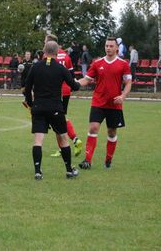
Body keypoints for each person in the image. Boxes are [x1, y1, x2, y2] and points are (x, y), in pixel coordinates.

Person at [24, 41, 82, 180]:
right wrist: (81, 82)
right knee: (63, 138)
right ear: (57, 52)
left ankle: (38, 171)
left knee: (38, 140)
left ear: (44, 51)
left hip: (38, 108)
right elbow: (74, 86)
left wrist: (32, 104)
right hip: (56, 108)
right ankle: (69, 170)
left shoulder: (35, 67)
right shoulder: (61, 68)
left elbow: (27, 88)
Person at [77, 37, 132, 170]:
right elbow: (86, 79)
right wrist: (73, 83)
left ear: (117, 48)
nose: (108, 48)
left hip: (114, 104)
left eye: (111, 46)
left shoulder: (123, 64)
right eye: (107, 46)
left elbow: (128, 83)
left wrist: (123, 96)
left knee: (112, 132)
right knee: (93, 128)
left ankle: (108, 160)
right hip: (98, 102)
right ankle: (87, 161)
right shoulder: (97, 63)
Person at [43, 35, 83, 159]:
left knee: (58, 120)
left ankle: (73, 141)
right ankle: (65, 145)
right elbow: (71, 75)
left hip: (55, 92)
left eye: (45, 42)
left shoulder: (46, 57)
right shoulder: (66, 56)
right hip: (66, 90)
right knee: (60, 117)